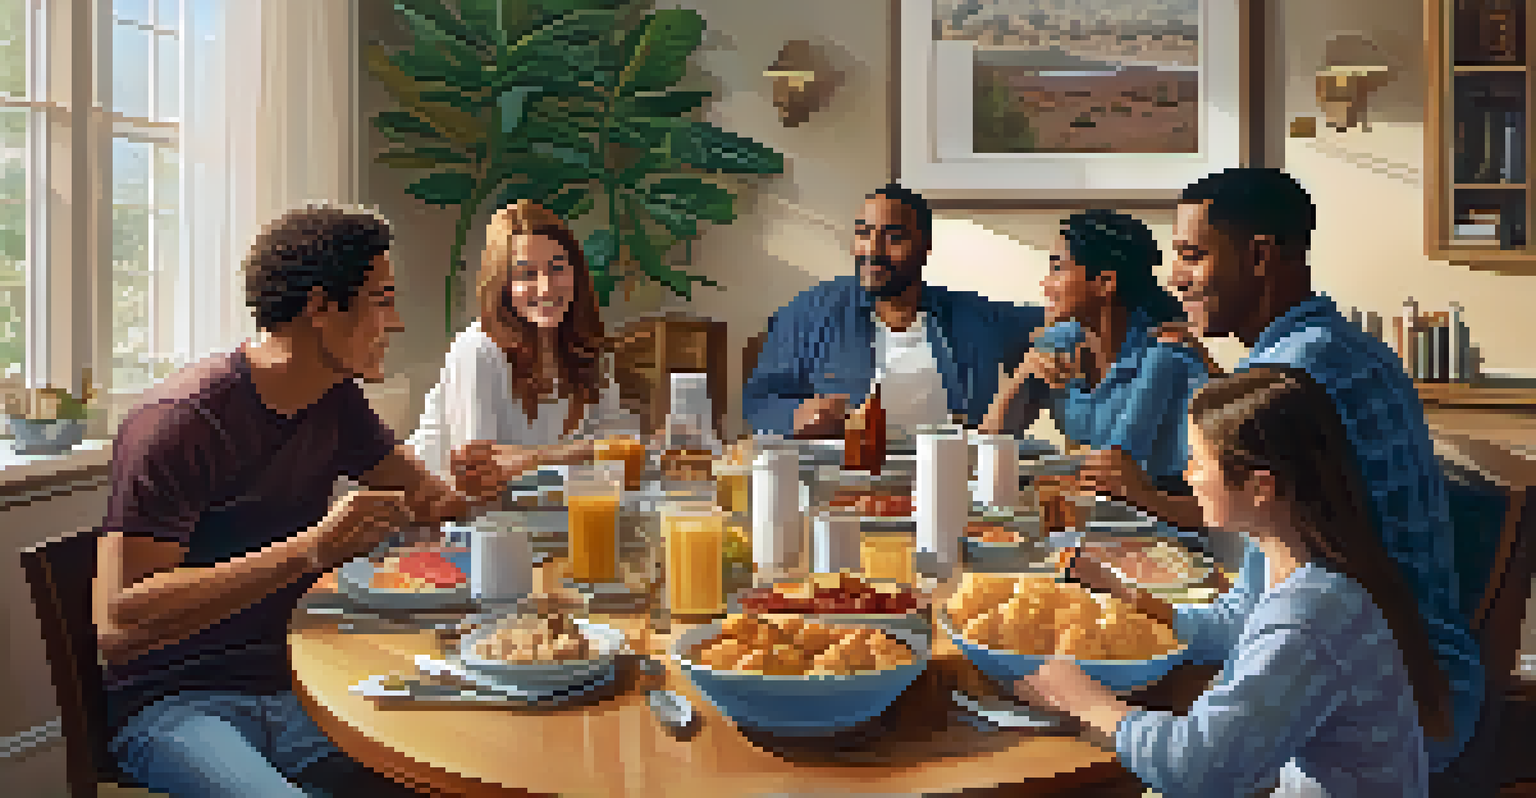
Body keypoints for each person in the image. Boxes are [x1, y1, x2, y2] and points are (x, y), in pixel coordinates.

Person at [1070, 167, 1483, 773]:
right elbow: (1252, 606)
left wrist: (1077, 691)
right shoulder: (1346, 346)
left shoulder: (1289, 381)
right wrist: (1131, 597)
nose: (1174, 279)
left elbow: (1256, 632)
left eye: (1192, 255)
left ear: (1259, 257)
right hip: (1415, 669)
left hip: (1390, 703)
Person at [95, 205, 467, 797]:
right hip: (178, 709)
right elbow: (119, 624)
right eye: (381, 299)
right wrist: (311, 549)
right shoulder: (180, 423)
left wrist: (464, 489)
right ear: (320, 309)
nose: (395, 323)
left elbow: (423, 495)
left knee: (467, 755)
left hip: (304, 682)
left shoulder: (335, 399)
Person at [1019, 366, 1451, 797]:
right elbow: (1237, 624)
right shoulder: (1295, 564)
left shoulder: (1309, 615)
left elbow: (1198, 767)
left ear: (1261, 487)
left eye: (1197, 461)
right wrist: (1128, 595)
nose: (1188, 476)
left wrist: (1081, 698)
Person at [743, 183, 1045, 439]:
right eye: (863, 233)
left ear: (925, 246)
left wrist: (1049, 357)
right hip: (843, 481)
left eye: (893, 237)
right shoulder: (810, 313)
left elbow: (1061, 321)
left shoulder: (975, 317)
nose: (872, 250)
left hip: (953, 478)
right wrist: (797, 416)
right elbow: (758, 401)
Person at [408, 200, 637, 501]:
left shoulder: (584, 349)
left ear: (576, 275)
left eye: (557, 269)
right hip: (439, 524)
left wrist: (533, 459)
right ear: (502, 284)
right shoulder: (479, 348)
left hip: (537, 516)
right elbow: (480, 482)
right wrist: (585, 452)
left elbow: (625, 450)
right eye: (527, 274)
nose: (545, 288)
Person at [978, 209, 1209, 494]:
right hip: (1097, 515)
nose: (1046, 285)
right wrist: (1024, 371)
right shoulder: (1060, 341)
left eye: (1058, 269)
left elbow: (1113, 470)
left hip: (1161, 520)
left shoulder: (1163, 355)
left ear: (1104, 283)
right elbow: (989, 447)